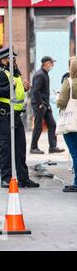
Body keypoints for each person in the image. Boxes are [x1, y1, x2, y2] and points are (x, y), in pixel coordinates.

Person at [0, 47, 40, 188]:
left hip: (15, 115)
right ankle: (5, 178)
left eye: (14, 58)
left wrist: (24, 88)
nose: (14, 60)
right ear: (4, 60)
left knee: (20, 147)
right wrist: (9, 87)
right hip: (3, 115)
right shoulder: (0, 74)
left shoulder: (14, 72)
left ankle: (23, 179)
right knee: (6, 148)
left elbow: (15, 93)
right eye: (11, 58)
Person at [30, 56, 65, 154]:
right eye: (51, 62)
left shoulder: (45, 74)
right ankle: (33, 147)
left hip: (45, 104)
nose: (52, 65)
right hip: (40, 105)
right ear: (45, 63)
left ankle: (52, 147)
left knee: (52, 125)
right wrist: (40, 104)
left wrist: (46, 104)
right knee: (38, 126)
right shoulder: (40, 75)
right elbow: (35, 91)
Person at [57, 57, 77, 192]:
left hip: (72, 123)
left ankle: (76, 183)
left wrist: (57, 98)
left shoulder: (69, 82)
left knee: (75, 153)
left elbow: (61, 102)